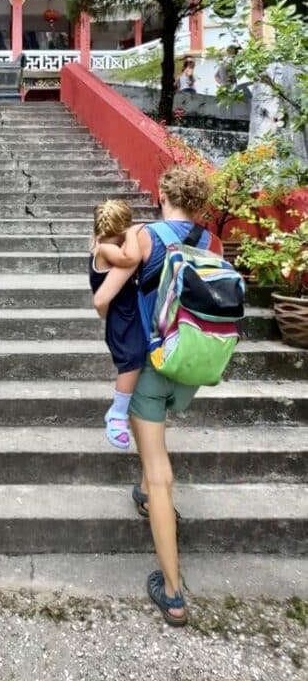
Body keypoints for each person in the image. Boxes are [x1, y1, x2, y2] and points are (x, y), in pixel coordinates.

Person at [93, 166, 222, 628]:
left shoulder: (145, 235)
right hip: (192, 366)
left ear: (163, 193)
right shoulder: (212, 243)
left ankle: (171, 590)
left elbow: (106, 293)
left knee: (159, 466)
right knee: (158, 444)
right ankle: (146, 493)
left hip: (151, 365)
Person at [89, 200, 144, 450]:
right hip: (121, 316)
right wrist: (133, 234)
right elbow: (130, 256)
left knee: (136, 360)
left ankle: (123, 411)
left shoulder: (101, 244)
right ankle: (117, 414)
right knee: (131, 362)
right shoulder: (105, 248)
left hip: (126, 312)